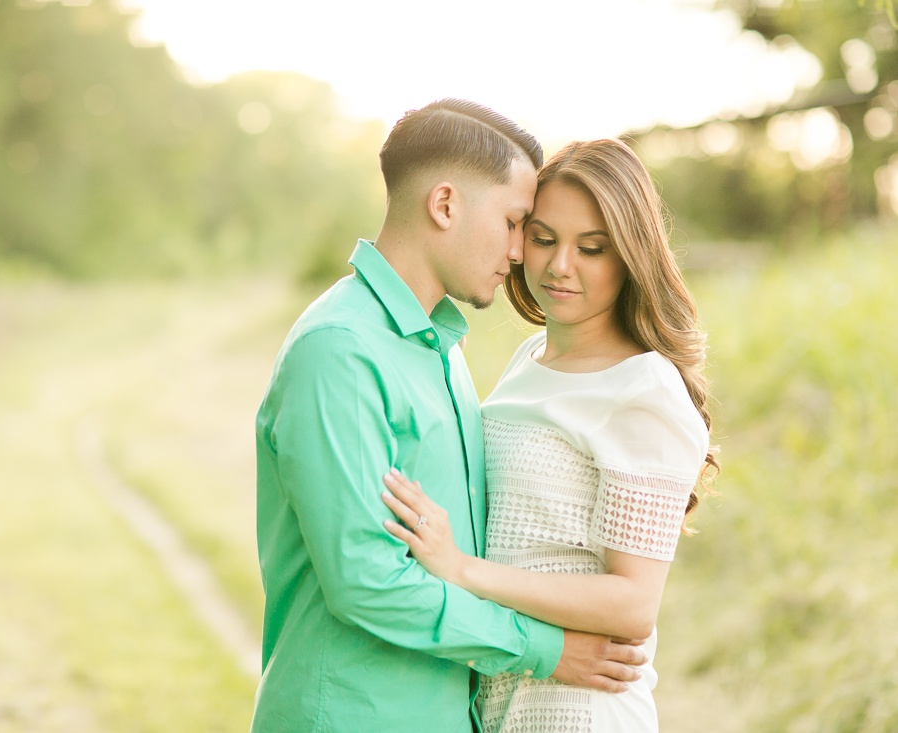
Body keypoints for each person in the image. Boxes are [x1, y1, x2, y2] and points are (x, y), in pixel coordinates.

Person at [252, 103, 646, 733]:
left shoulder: (441, 349)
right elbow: (367, 582)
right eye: (515, 222)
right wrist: (546, 651)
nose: (522, 253)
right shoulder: (340, 349)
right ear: (444, 204)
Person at [380, 138, 719, 732]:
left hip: (579, 709)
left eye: (592, 248)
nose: (561, 265)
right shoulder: (527, 357)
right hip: (502, 695)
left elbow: (634, 604)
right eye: (542, 239)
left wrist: (461, 568)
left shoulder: (642, 389)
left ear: (631, 256)